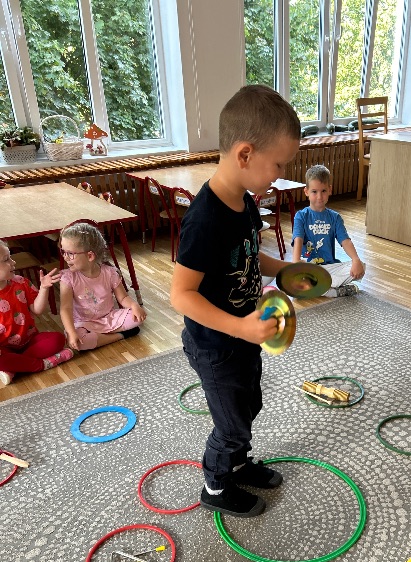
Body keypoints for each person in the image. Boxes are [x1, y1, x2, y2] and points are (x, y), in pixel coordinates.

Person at [170, 84, 301, 518]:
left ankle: (240, 464)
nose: (280, 174)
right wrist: (241, 327)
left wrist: (282, 269)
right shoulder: (204, 219)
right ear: (245, 154)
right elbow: (180, 294)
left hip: (244, 335)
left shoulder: (245, 202)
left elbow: (248, 254)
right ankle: (215, 485)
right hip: (215, 344)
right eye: (278, 164)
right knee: (230, 425)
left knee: (249, 405)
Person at [59, 222, 146, 351]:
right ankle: (120, 335)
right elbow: (65, 309)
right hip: (84, 323)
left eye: (70, 253)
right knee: (78, 342)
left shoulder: (110, 273)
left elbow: (123, 298)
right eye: (63, 252)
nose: (65, 257)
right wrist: (71, 333)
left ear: (90, 256)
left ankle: (99, 337)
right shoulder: (67, 278)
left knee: (137, 318)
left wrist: (134, 306)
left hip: (109, 317)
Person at [0, 240, 73, 386]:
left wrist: (44, 288)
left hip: (30, 341)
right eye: (6, 259)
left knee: (58, 339)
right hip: (4, 349)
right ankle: (43, 364)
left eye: (10, 257)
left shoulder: (21, 282)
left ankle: (15, 367)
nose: (13, 262)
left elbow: (37, 310)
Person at [291, 164, 365, 297]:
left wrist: (355, 260)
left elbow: (345, 241)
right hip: (310, 269)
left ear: (330, 190)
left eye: (323, 191)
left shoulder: (335, 217)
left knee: (361, 266)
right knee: (295, 280)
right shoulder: (301, 216)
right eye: (314, 191)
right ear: (306, 192)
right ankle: (333, 290)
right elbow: (298, 240)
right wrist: (296, 262)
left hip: (330, 268)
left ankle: (324, 288)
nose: (319, 196)